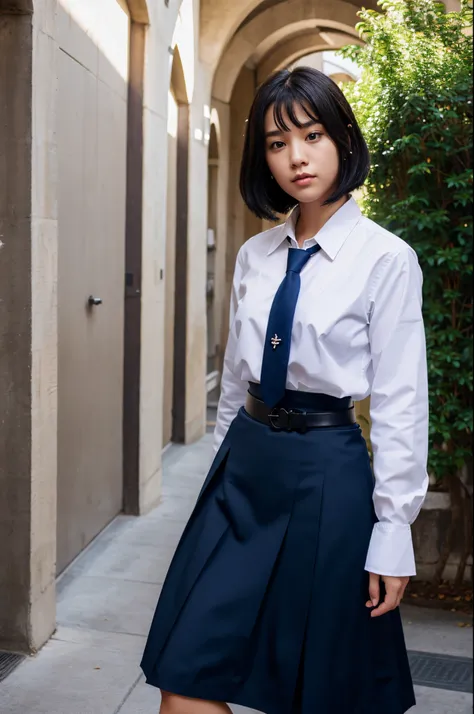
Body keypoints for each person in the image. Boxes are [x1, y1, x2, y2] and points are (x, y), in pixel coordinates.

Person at [141, 66, 429, 714]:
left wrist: (393, 530)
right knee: (184, 672)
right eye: (276, 142)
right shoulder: (256, 255)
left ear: (343, 141)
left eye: (312, 134)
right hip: (244, 472)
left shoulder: (385, 259)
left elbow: (401, 401)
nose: (296, 156)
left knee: (318, 689)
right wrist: (221, 468)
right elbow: (237, 377)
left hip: (327, 476)